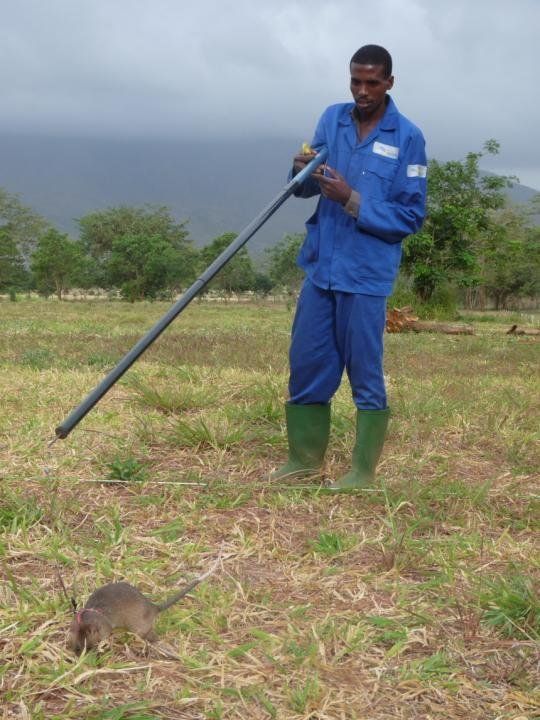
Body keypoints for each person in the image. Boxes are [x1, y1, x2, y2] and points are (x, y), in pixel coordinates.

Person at [272, 44, 427, 490]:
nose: (362, 91)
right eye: (355, 81)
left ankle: (361, 473)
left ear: (389, 83)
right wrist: (300, 170)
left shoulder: (408, 138)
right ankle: (303, 462)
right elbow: (302, 188)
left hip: (366, 275)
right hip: (322, 268)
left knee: (364, 370)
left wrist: (352, 200)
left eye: (372, 82)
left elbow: (410, 217)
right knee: (307, 362)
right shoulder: (332, 119)